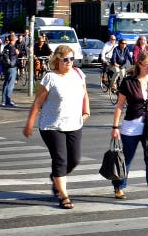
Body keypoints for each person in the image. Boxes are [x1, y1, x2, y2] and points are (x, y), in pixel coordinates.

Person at [22, 45, 90, 209]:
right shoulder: (50, 78)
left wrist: (87, 110)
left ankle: (56, 178)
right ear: (57, 60)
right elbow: (38, 102)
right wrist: (30, 122)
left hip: (74, 123)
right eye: (65, 59)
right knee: (60, 159)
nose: (69, 62)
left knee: (74, 160)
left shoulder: (78, 74)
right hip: (51, 125)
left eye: (71, 59)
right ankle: (63, 195)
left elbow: (84, 93)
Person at [111, 51, 148, 207]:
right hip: (131, 127)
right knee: (126, 159)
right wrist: (115, 126)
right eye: (147, 64)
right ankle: (119, 186)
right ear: (139, 64)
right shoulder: (128, 82)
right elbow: (119, 106)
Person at [0, 34, 20, 107]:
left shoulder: (6, 46)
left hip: (5, 67)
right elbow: (13, 58)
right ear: (14, 39)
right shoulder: (13, 48)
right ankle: (8, 101)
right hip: (12, 67)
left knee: (6, 84)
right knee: (10, 85)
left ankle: (3, 101)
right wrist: (17, 53)